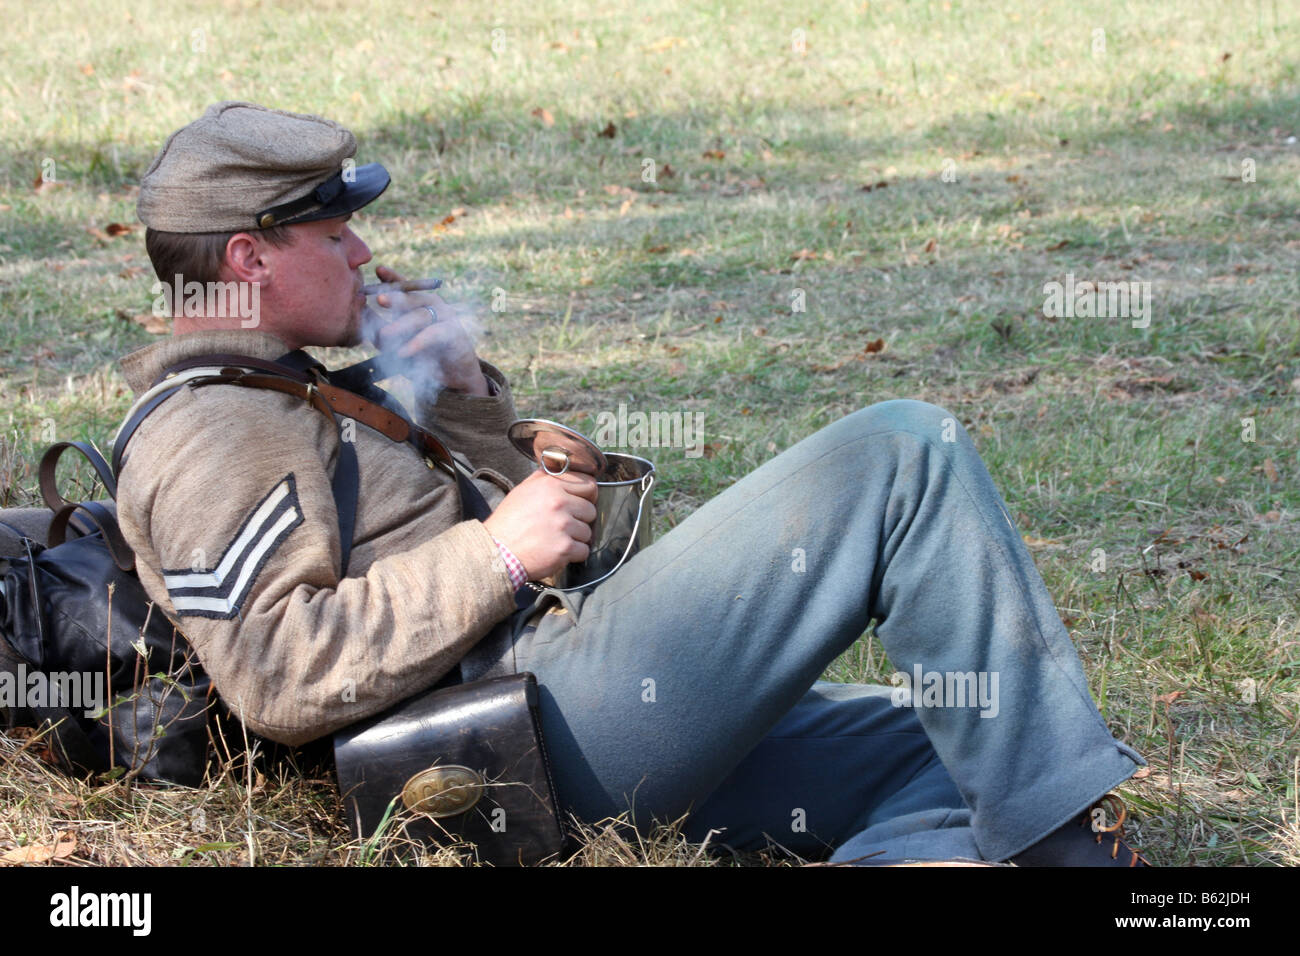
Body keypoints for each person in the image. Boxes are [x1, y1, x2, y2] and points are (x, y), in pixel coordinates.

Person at [113, 101, 1150, 865]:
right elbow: (277, 671)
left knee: (964, 730)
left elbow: (525, 537)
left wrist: (464, 395)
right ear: (248, 256)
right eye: (333, 233)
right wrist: (495, 554)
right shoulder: (207, 429)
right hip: (517, 742)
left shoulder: (280, 387)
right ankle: (1064, 855)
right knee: (900, 453)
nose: (363, 248)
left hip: (565, 705)